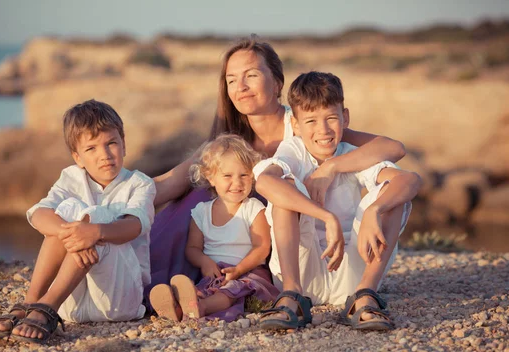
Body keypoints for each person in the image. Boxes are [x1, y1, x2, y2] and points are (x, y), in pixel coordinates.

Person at [147, 35, 407, 300]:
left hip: (293, 247)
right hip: (240, 248)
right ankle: (170, 286)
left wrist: (332, 168)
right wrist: (119, 202)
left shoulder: (306, 124)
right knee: (195, 198)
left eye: (251, 75)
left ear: (277, 83)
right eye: (232, 80)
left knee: (283, 190)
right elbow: (169, 183)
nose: (241, 87)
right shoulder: (230, 142)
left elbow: (393, 148)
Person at [254, 71, 421, 331]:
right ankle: (291, 296)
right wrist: (326, 217)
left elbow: (409, 179)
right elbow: (265, 182)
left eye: (331, 118)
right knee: (284, 187)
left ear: (345, 117)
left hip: (351, 277)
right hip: (303, 271)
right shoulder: (294, 150)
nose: (323, 130)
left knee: (391, 194)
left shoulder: (351, 155)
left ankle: (365, 295)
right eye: (310, 121)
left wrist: (375, 209)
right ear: (295, 125)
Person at [0, 99, 156, 343]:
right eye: (91, 149)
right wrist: (74, 233)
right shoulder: (71, 178)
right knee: (64, 214)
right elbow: (39, 214)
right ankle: (32, 302)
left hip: (119, 301)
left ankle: (47, 307)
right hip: (73, 305)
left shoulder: (139, 183)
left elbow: (133, 227)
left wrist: (94, 232)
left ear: (124, 144)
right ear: (77, 157)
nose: (104, 155)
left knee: (94, 217)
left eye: (111, 143)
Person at [150, 134, 278, 322]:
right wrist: (204, 262)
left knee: (229, 292)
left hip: (248, 273)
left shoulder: (253, 209)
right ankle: (177, 308)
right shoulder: (201, 212)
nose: (237, 182)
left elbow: (262, 248)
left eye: (244, 175)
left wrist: (239, 269)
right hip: (215, 274)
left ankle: (200, 308)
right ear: (211, 177)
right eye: (227, 176)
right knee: (202, 290)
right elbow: (192, 249)